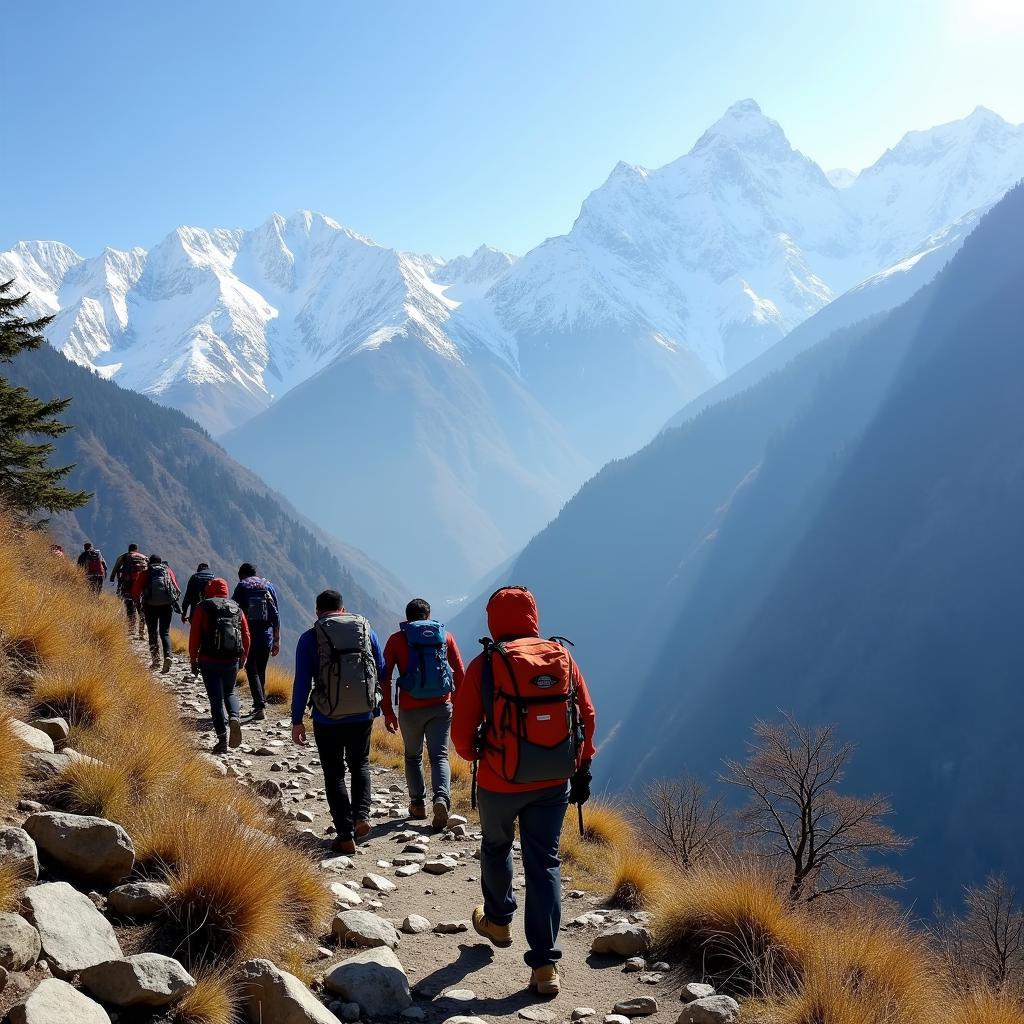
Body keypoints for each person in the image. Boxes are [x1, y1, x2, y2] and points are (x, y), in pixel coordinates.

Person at [451, 586, 597, 997]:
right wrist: (580, 767)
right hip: (553, 781)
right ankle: (545, 965)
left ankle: (498, 921)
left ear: (493, 619)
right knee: (544, 863)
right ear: (534, 615)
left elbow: (461, 735)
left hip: (500, 779)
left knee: (496, 847)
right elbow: (585, 716)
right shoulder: (562, 656)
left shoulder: (486, 664)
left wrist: (478, 753)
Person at [291, 589, 385, 855]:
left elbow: (301, 682)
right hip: (363, 713)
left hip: (327, 718)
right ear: (343, 609)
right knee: (360, 765)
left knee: (334, 774)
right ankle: (362, 816)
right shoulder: (366, 631)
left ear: (317, 611)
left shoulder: (311, 638)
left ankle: (344, 836)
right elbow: (381, 667)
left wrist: (297, 720)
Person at [381, 598, 465, 829]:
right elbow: (459, 671)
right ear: (429, 616)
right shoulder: (444, 637)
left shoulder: (398, 639)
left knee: (412, 756)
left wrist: (387, 711)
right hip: (441, 705)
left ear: (407, 618)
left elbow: (384, 676)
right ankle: (441, 799)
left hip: (410, 708)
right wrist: (456, 703)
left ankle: (417, 804)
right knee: (439, 756)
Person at [189, 577, 250, 753]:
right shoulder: (236, 607)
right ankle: (234, 717)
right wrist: (243, 658)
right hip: (231, 660)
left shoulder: (203, 606)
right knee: (230, 692)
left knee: (215, 700)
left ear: (209, 590)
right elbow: (246, 635)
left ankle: (222, 740)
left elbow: (194, 637)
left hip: (209, 660)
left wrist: (194, 660)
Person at [232, 563, 282, 720]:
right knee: (260, 669)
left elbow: (233, 610)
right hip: (266, 636)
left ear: (241, 574)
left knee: (251, 670)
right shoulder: (268, 586)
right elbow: (276, 615)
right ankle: (260, 703)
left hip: (249, 635)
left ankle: (259, 706)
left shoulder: (242, 586)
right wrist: (276, 641)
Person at [131, 554, 181, 672]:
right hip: (166, 606)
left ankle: (156, 661)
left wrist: (137, 601)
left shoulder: (146, 573)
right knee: (164, 632)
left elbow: (135, 591)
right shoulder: (168, 571)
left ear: (149, 562)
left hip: (150, 606)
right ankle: (168, 655)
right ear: (161, 562)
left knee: (152, 632)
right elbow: (176, 588)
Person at [109, 543, 148, 638]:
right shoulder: (144, 557)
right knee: (141, 607)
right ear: (137, 549)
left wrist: (112, 578)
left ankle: (131, 629)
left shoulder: (124, 556)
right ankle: (141, 631)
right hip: (142, 586)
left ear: (129, 549)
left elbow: (116, 568)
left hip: (128, 585)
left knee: (130, 607)